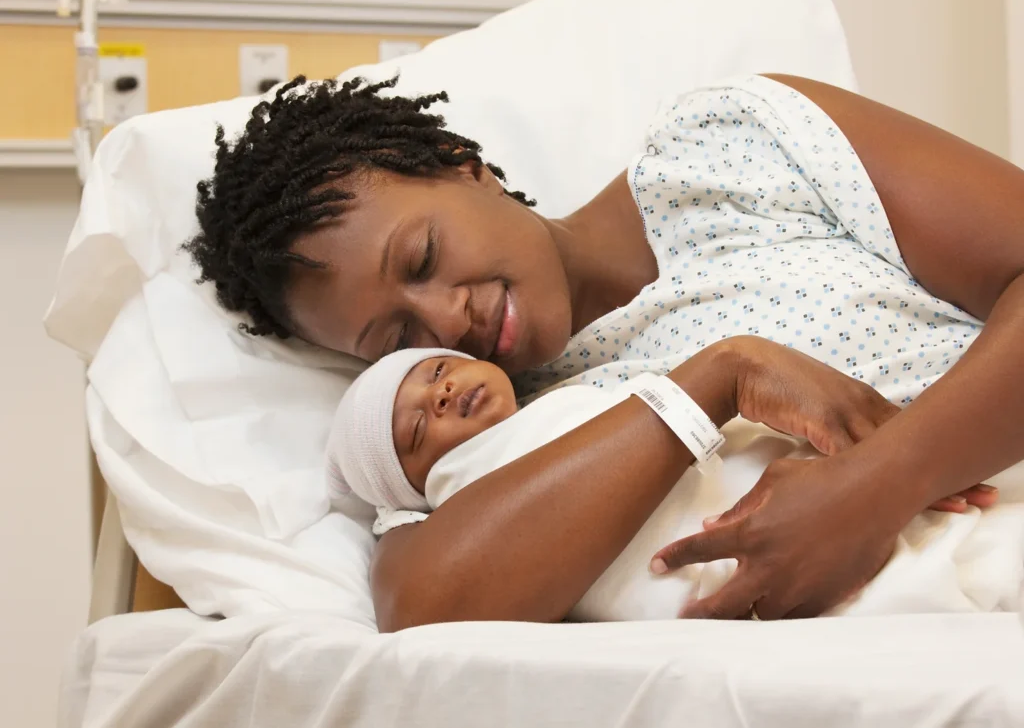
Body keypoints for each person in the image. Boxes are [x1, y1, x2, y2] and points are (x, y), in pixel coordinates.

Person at [185, 72, 1024, 630]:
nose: (449, 319)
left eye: (423, 259)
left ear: (460, 165)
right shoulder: (505, 432)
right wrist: (716, 377)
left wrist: (875, 486)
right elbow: (420, 608)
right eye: (399, 337)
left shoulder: (730, 146)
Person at [325, 346, 1024, 620]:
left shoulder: (582, 395)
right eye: (416, 430)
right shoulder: (462, 498)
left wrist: (883, 475)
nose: (441, 396)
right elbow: (425, 582)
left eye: (437, 371)